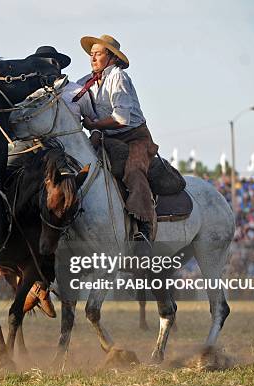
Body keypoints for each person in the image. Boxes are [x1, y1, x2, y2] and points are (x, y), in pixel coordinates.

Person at [76, 34, 159, 242]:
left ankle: (144, 227)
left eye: (98, 54)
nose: (92, 58)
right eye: (91, 54)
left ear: (111, 58)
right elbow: (70, 96)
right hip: (104, 136)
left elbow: (121, 119)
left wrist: (94, 125)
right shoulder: (85, 82)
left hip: (135, 138)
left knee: (134, 171)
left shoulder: (119, 77)